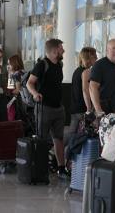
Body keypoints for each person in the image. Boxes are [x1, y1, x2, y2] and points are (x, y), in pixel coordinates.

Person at [26, 38, 69, 179]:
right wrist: (35, 93)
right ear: (55, 50)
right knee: (41, 139)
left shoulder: (59, 65)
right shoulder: (41, 64)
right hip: (44, 108)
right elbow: (29, 83)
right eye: (61, 48)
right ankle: (39, 168)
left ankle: (61, 168)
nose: (63, 50)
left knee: (59, 139)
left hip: (58, 108)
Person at [90, 39, 115, 115]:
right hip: (105, 111)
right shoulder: (99, 65)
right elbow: (92, 88)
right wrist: (99, 110)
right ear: (107, 50)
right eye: (114, 48)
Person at [69, 47, 97, 136]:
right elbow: (85, 90)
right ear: (89, 58)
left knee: (73, 132)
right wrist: (89, 108)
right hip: (82, 108)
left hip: (75, 107)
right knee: (82, 135)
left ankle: (58, 148)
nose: (96, 58)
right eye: (94, 56)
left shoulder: (77, 70)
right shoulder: (86, 71)